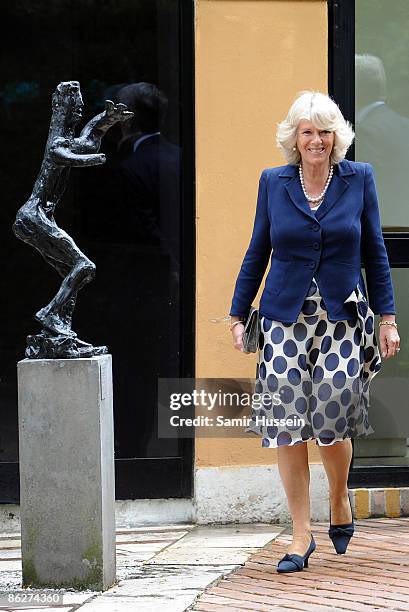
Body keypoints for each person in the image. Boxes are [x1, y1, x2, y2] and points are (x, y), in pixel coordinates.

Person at [229, 91, 400, 573]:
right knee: (287, 421)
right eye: (308, 131)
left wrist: (387, 319)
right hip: (284, 314)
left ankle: (340, 498)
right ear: (295, 138)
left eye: (325, 131)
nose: (316, 140)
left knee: (332, 415)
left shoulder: (359, 179)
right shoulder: (273, 182)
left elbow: (376, 253)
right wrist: (239, 313)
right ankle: (300, 535)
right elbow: (257, 249)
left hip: (342, 315)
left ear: (336, 137)